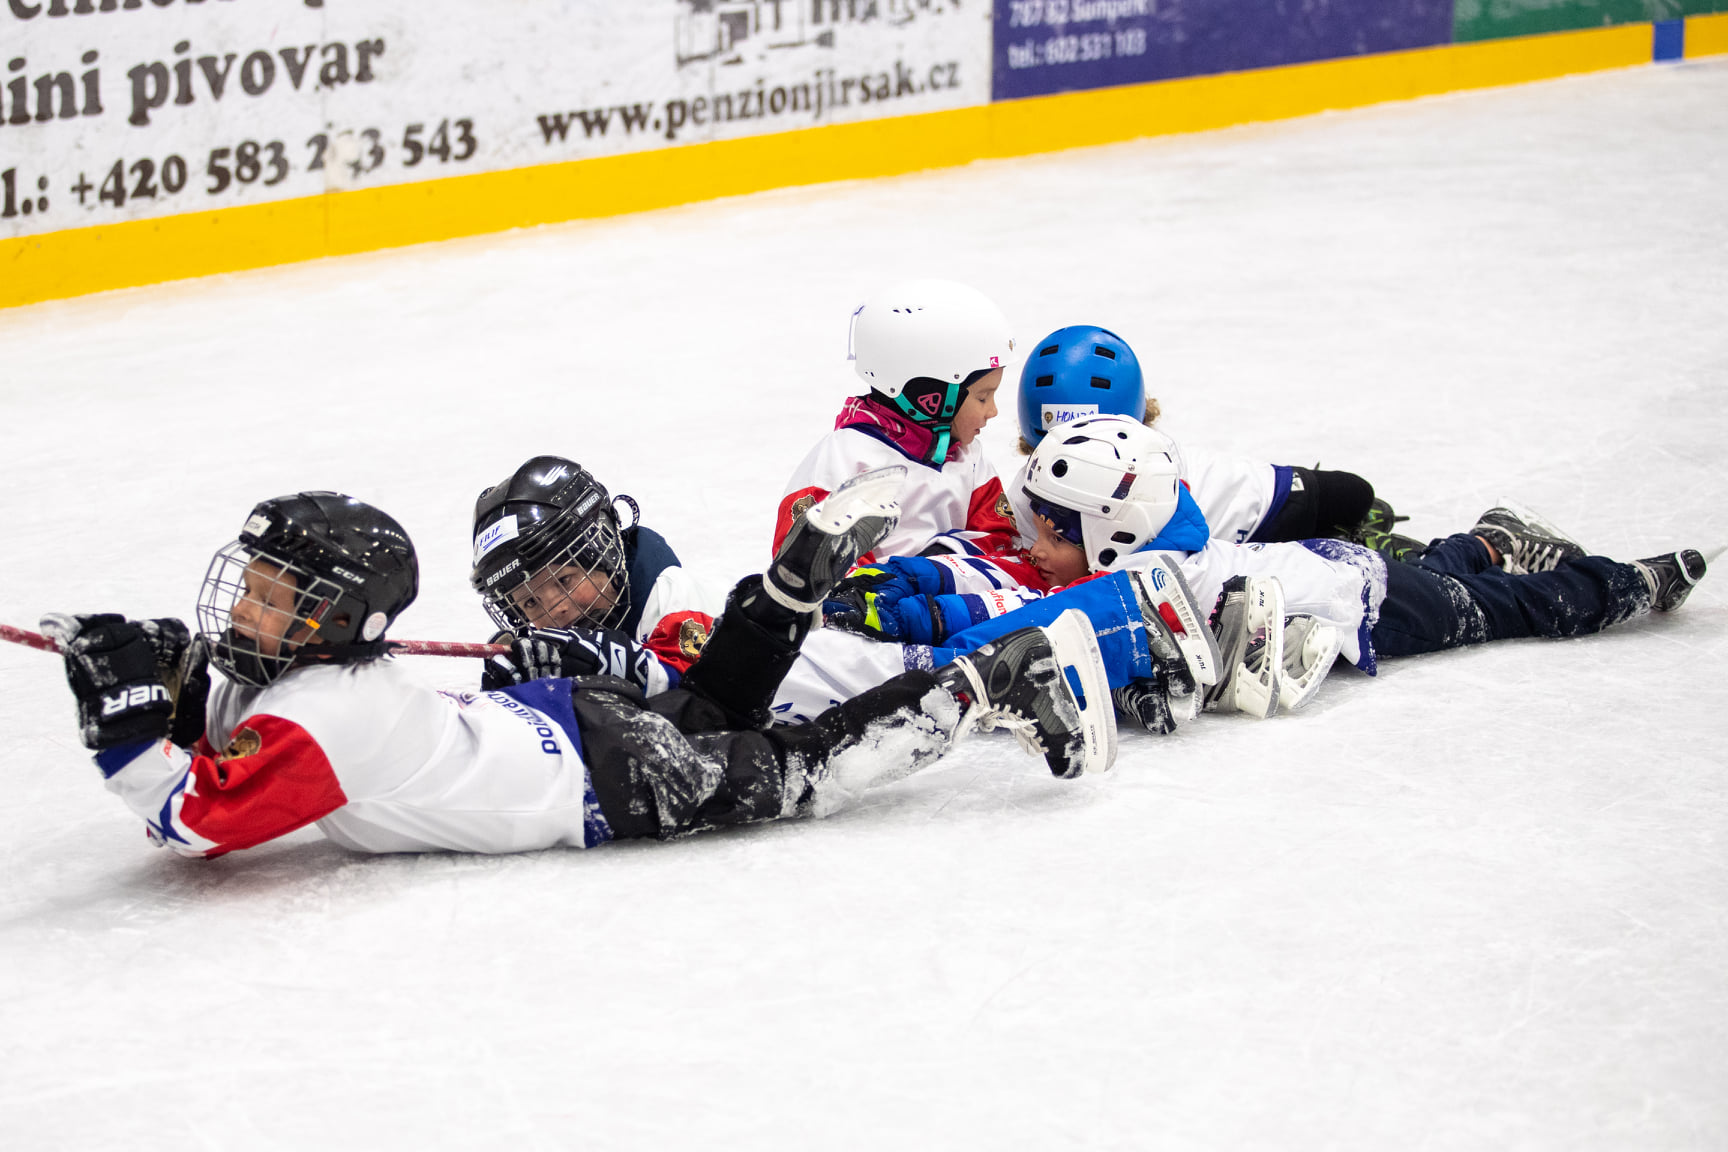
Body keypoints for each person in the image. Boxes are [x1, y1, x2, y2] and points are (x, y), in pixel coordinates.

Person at [41, 473, 1117, 861]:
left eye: (275, 594)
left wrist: (129, 723)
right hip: (563, 725)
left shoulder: (327, 721)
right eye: (252, 587)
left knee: (800, 771)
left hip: (596, 775)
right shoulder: (314, 687)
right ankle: (781, 599)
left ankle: (988, 679)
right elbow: (229, 714)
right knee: (709, 707)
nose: (244, 606)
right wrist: (174, 680)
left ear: (333, 620)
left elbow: (196, 820)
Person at [840, 414, 1710, 719]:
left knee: (1498, 606)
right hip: (1319, 573)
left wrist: (919, 632)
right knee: (1469, 576)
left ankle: (1612, 584)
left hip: (1358, 597)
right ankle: (1491, 537)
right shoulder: (1112, 550)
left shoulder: (1149, 582)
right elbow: (983, 582)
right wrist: (892, 590)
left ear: (1109, 541)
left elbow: (1016, 635)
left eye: (1053, 533)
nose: (1031, 544)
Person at [1009, 324, 1412, 554]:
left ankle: (1361, 529)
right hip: (1242, 535)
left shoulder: (1153, 462)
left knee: (1354, 496)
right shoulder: (1025, 491)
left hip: (1271, 504)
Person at [772, 278, 1039, 585]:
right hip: (868, 622)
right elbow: (803, 563)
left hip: (943, 614)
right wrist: (887, 588)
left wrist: (939, 567)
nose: (992, 411)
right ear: (930, 395)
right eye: (982, 396)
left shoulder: (970, 459)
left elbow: (1003, 545)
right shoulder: (844, 458)